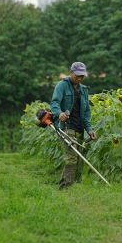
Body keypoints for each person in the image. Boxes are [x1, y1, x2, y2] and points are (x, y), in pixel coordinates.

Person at [50, 61, 97, 190]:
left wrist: (89, 129)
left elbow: (86, 111)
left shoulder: (83, 90)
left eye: (82, 76)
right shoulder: (62, 86)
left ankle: (70, 187)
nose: (80, 78)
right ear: (71, 72)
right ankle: (66, 189)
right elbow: (54, 103)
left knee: (78, 160)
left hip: (79, 129)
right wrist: (59, 113)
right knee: (71, 159)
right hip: (66, 126)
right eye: (77, 75)